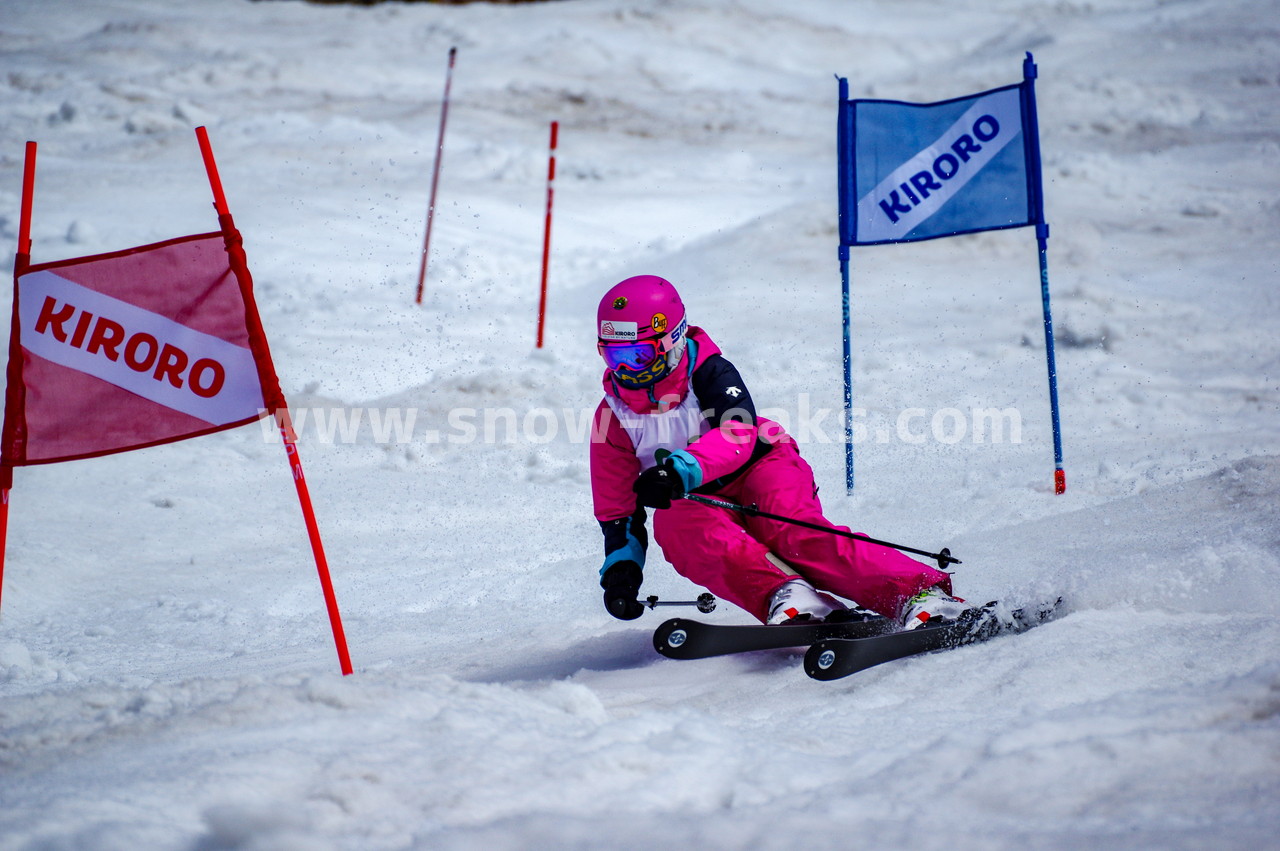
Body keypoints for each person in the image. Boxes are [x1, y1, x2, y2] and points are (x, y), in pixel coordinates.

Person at [589, 274, 975, 628]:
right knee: (675, 526)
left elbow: (737, 432)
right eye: (614, 357)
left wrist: (679, 469)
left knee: (788, 530)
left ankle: (919, 592)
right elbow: (618, 511)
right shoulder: (613, 417)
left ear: (672, 340)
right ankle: (789, 595)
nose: (628, 371)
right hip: (697, 495)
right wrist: (622, 573)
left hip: (763, 466)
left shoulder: (708, 371)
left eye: (638, 356)